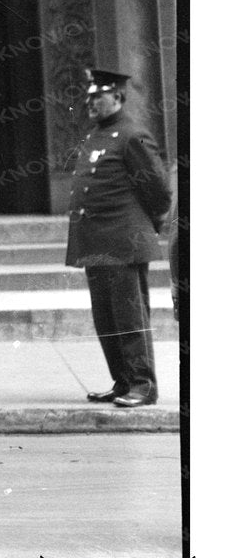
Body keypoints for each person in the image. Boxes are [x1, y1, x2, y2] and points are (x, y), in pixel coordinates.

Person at [65, 68, 171, 408]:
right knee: (106, 318)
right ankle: (123, 381)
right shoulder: (97, 135)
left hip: (123, 243)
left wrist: (146, 226)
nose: (91, 103)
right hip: (95, 243)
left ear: (118, 97)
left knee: (129, 318)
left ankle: (143, 384)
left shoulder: (131, 136)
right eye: (89, 97)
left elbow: (159, 190)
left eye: (98, 97)